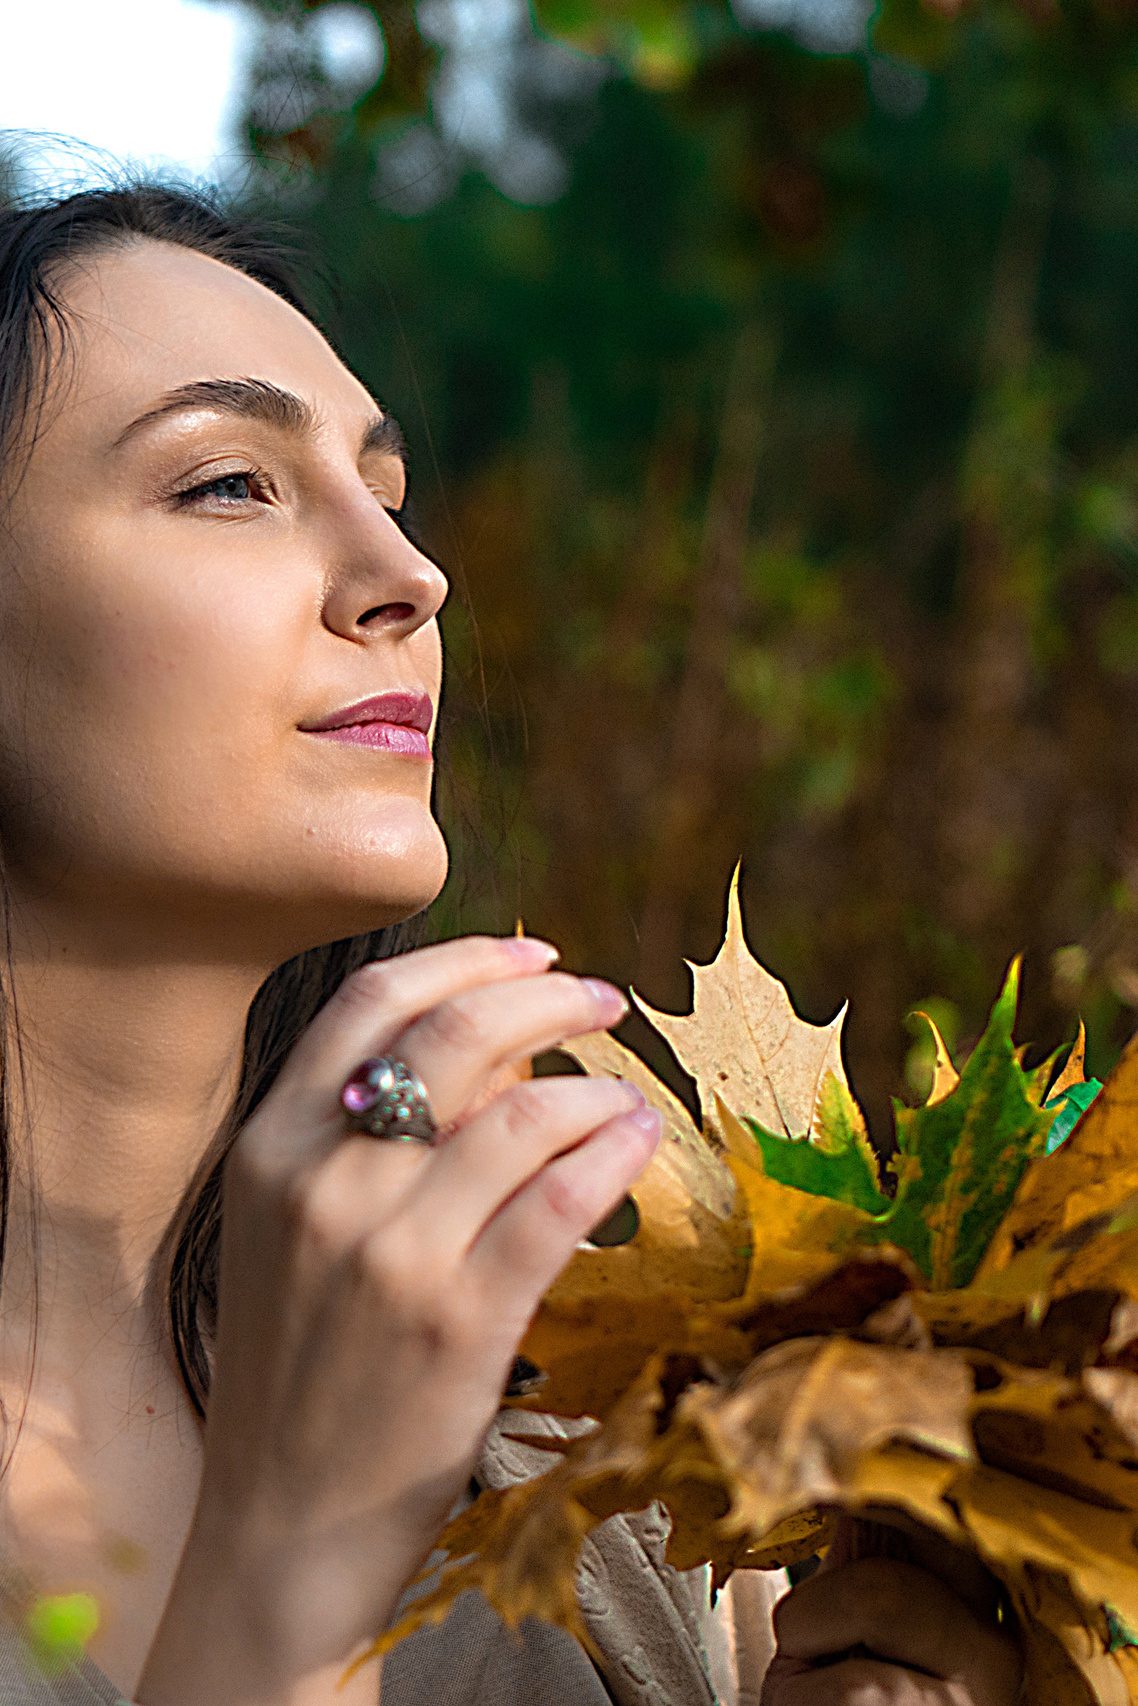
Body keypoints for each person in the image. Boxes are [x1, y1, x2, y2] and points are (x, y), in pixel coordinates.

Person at [0, 182, 1023, 1706]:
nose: (412, 576)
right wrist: (292, 1569)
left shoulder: (620, 1469)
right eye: (227, 483)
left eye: (385, 486)